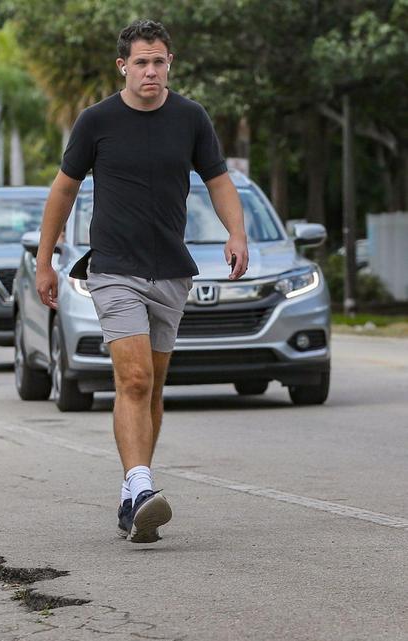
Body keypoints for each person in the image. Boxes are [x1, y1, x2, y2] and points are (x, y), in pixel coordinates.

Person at [34, 19, 249, 543]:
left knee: (151, 386)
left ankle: (135, 500)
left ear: (168, 64)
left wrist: (236, 234)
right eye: (141, 62)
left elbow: (219, 181)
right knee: (132, 380)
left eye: (159, 62)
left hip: (171, 271)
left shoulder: (191, 118)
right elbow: (63, 191)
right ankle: (141, 484)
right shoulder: (97, 121)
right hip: (113, 269)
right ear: (123, 66)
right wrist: (45, 261)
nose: (150, 71)